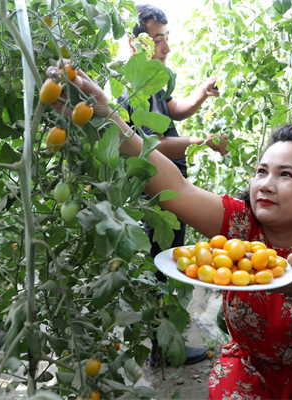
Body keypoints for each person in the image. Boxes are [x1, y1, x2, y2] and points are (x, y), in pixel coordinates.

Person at [47, 66, 292, 398]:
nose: (266, 184)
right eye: (261, 171)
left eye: (286, 175)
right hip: (245, 378)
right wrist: (109, 115)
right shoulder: (241, 224)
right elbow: (178, 187)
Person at [117, 4, 228, 367]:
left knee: (166, 260)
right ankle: (163, 350)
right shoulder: (132, 86)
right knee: (161, 265)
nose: (166, 48)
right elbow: (150, 145)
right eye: (157, 40)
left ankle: (165, 346)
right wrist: (203, 141)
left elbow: (172, 111)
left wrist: (199, 94)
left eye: (166, 38)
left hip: (168, 185)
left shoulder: (152, 82)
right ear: (136, 44)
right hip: (157, 190)